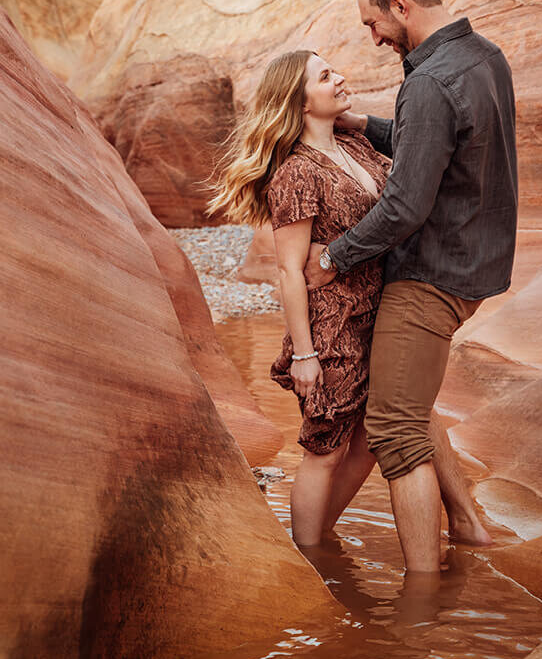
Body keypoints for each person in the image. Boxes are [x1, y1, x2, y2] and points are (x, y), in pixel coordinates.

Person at [208, 49, 490, 550]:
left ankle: (320, 545)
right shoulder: (296, 173)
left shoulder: (353, 143)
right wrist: (304, 354)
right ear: (299, 102)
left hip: (380, 312)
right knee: (326, 448)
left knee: (374, 437)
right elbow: (290, 269)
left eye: (333, 69)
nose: (340, 78)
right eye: (325, 76)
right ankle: (310, 560)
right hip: (333, 326)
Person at [304, 0, 517, 573]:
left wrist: (334, 258)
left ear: (401, 6)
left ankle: (422, 600)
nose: (372, 38)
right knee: (411, 399)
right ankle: (470, 526)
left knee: (393, 428)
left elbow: (403, 207)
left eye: (373, 23)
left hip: (431, 274)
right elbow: (441, 143)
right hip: (475, 261)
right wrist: (366, 125)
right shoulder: (485, 57)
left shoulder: (427, 82)